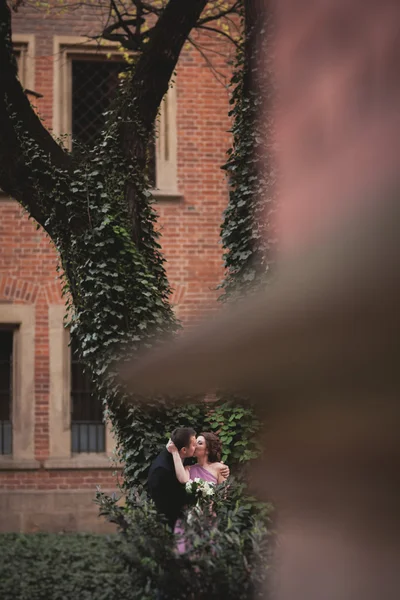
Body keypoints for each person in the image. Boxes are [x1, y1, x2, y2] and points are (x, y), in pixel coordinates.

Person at [167, 432, 229, 554]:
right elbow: (183, 479)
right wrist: (174, 452)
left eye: (199, 443)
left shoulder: (219, 468)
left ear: (208, 450)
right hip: (188, 519)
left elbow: (223, 497)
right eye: (194, 443)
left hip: (208, 519)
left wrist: (208, 498)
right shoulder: (189, 468)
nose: (195, 445)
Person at [147, 427, 197, 530]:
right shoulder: (161, 470)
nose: (196, 447)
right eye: (193, 445)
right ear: (183, 450)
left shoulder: (185, 456)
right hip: (170, 524)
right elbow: (164, 506)